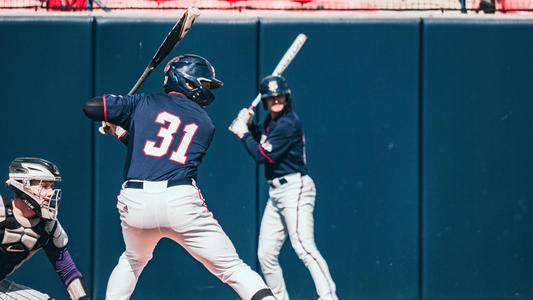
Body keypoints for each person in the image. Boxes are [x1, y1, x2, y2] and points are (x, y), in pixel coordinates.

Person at [82, 54, 276, 300]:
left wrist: (117, 115)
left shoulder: (143, 102)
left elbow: (92, 107)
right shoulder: (205, 123)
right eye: (204, 83)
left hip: (136, 200)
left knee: (132, 260)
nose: (207, 89)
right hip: (179, 200)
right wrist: (122, 128)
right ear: (188, 81)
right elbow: (162, 150)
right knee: (233, 268)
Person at [229, 75, 338, 300]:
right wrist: (250, 125)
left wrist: (244, 133)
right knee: (266, 254)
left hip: (294, 189)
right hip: (277, 192)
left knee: (304, 247)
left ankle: (329, 297)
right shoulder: (272, 121)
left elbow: (263, 155)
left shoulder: (289, 123)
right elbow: (265, 138)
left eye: (280, 96)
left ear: (286, 97)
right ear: (266, 101)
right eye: (271, 98)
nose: (276, 101)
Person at [0, 157, 90, 300]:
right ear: (23, 184)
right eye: (44, 186)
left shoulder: (48, 226)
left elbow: (68, 271)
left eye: (51, 187)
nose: (51, 193)